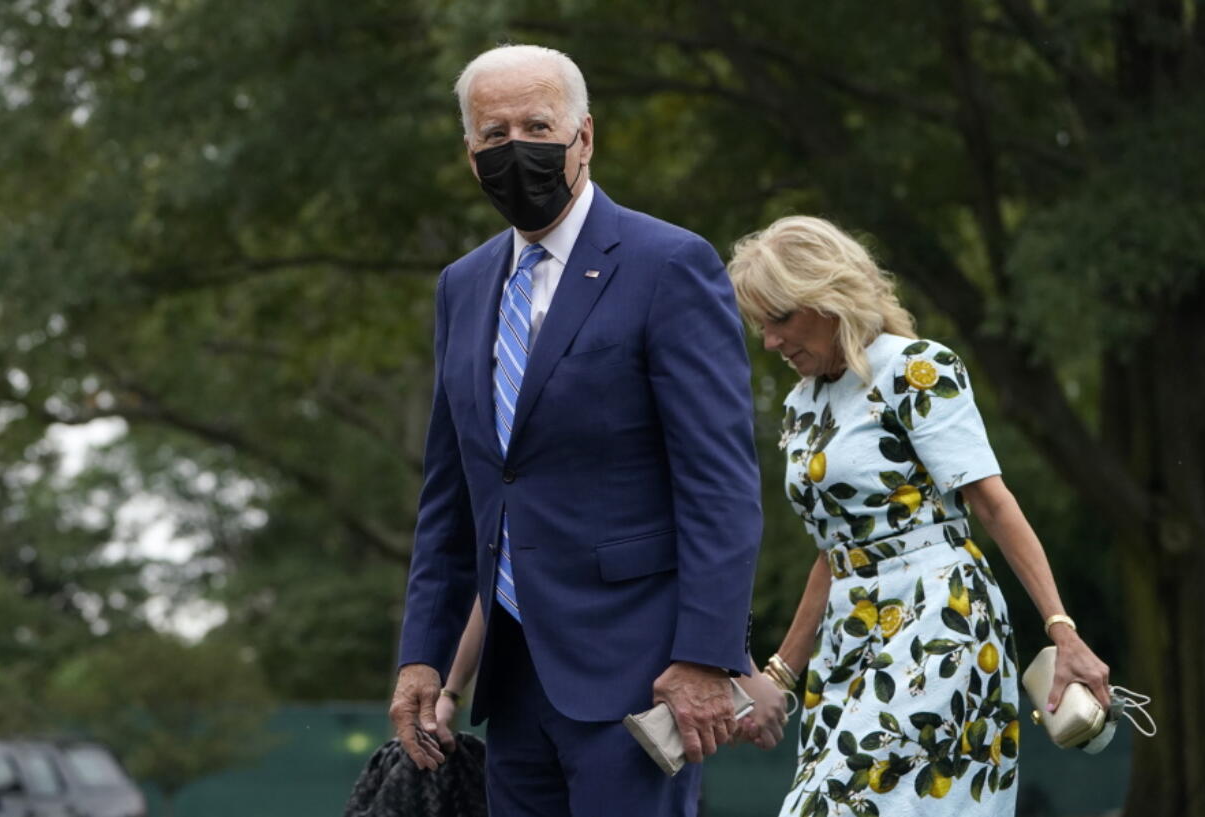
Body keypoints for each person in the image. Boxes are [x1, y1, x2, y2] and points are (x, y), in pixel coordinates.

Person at [389, 44, 765, 817]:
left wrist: (704, 657)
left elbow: (719, 484)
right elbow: (452, 495)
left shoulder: (669, 264)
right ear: (470, 153)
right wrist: (423, 658)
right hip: (513, 679)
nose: (514, 148)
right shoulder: (461, 287)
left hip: (639, 678)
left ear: (584, 137)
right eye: (493, 135)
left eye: (537, 124)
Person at [726, 216, 1111, 815]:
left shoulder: (915, 369)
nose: (770, 342)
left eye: (779, 319)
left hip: (939, 620)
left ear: (827, 299)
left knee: (837, 804)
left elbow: (992, 503)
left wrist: (1064, 632)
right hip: (849, 638)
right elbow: (835, 552)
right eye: (760, 327)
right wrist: (780, 675)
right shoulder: (802, 405)